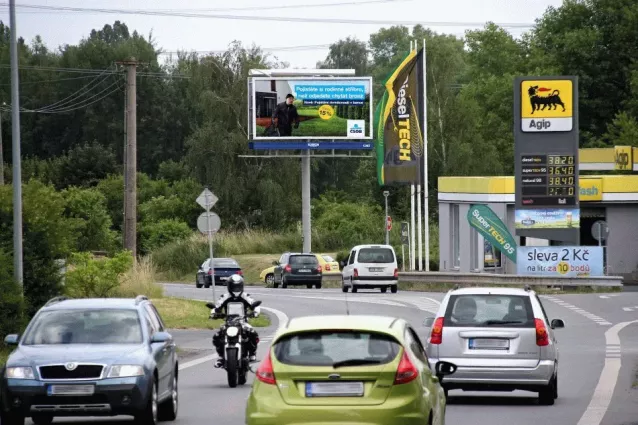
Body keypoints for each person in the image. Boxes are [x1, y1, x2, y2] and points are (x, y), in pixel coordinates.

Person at [209, 274, 261, 367]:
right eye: (234, 286)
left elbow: (254, 304)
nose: (236, 289)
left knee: (253, 333)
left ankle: (252, 354)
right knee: (217, 337)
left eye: (238, 286)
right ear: (229, 286)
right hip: (228, 322)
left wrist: (255, 312)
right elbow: (217, 305)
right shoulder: (225, 296)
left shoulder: (245, 296)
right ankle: (221, 356)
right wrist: (214, 312)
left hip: (243, 321)